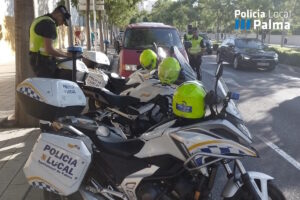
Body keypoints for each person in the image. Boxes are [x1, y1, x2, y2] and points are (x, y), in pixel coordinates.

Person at [29, 5, 71, 78]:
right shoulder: (49, 24)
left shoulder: (40, 19)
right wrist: (66, 56)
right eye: (63, 20)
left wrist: (63, 53)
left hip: (37, 59)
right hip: (43, 62)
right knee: (49, 86)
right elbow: (49, 50)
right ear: (58, 15)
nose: (62, 24)